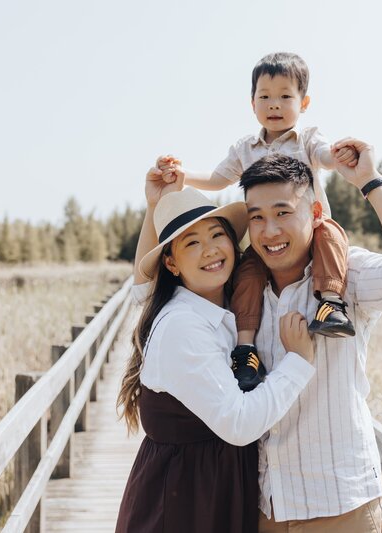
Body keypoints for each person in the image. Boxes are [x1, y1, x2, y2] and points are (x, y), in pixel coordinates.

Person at [239, 145, 382, 532]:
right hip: (268, 507)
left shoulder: (347, 275)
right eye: (257, 218)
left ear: (316, 213)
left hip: (341, 506)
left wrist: (371, 183)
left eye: (283, 213)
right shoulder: (244, 294)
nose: (270, 231)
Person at [114, 165, 317, 533]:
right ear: (171, 263)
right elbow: (238, 423)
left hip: (212, 492)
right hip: (183, 503)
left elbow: (141, 287)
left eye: (216, 235)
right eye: (192, 243)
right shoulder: (181, 325)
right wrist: (299, 362)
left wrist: (155, 205)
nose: (210, 250)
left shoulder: (230, 302)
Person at [158, 52, 360, 392]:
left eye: (285, 96)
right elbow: (218, 178)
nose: (274, 104)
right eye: (264, 96)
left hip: (310, 231)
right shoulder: (245, 147)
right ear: (252, 104)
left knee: (331, 235)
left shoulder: (308, 139)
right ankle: (246, 347)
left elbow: (325, 157)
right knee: (248, 274)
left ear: (304, 102)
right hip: (266, 241)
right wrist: (184, 176)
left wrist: (339, 156)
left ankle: (330, 304)